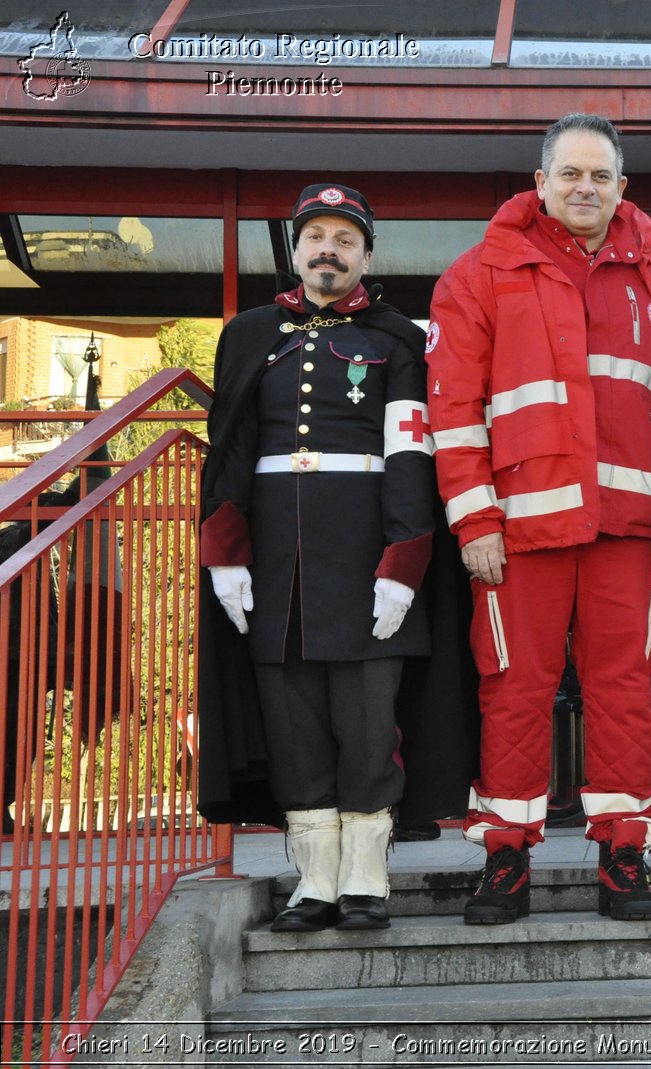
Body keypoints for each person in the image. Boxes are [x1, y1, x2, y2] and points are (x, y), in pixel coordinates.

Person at [427, 113, 651, 924]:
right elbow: (454, 412)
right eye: (570, 174)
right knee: (514, 690)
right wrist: (474, 520)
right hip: (520, 533)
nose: (585, 187)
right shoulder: (479, 274)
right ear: (539, 182)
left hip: (625, 527)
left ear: (623, 187)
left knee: (624, 690)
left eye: (601, 175)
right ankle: (505, 860)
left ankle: (624, 856)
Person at [198, 184, 440, 932]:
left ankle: (367, 876)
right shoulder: (248, 333)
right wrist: (225, 553)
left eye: (344, 238)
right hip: (277, 566)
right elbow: (230, 449)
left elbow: (409, 452)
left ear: (367, 254)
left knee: (369, 720)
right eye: (316, 237)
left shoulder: (398, 339)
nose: (328, 250)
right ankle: (316, 881)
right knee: (292, 720)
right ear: (297, 250)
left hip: (366, 553)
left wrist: (403, 561)